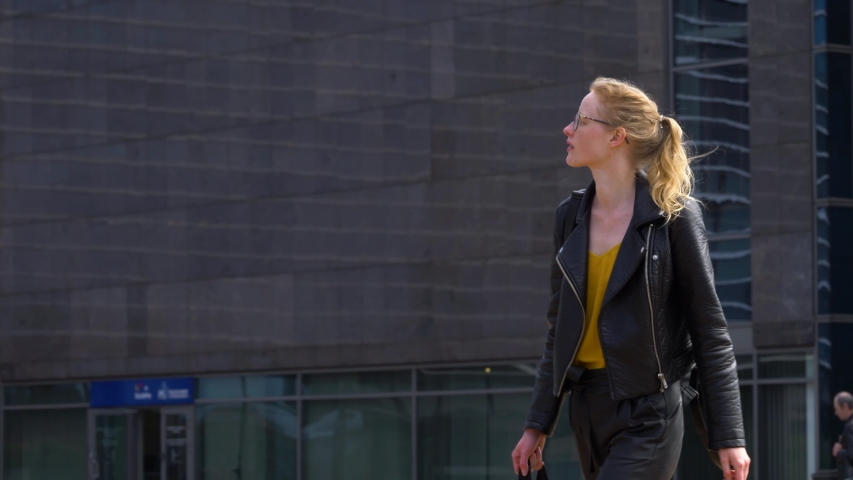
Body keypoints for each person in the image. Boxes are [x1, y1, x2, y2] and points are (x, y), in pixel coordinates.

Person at [511, 77, 751, 480]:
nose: (567, 130)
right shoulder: (569, 218)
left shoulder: (673, 217)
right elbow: (560, 332)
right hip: (587, 410)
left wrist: (730, 434)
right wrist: (538, 423)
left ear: (616, 137)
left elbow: (709, 330)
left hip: (649, 410)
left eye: (581, 120)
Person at [833, 391, 853, 480]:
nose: (836, 413)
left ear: (845, 406)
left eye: (837, 409)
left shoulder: (850, 426)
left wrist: (839, 451)